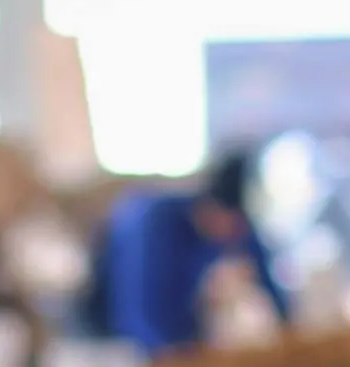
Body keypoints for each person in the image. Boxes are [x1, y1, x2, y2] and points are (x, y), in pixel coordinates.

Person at [93, 151, 289, 353]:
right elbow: (134, 318)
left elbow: (272, 291)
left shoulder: (238, 229)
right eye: (236, 226)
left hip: (189, 346)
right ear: (214, 208)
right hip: (119, 342)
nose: (238, 237)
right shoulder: (154, 225)